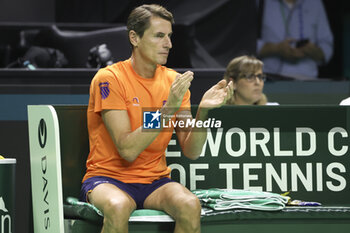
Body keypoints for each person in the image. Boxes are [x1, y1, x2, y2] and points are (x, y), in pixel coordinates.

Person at [79, 4, 233, 233]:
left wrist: (204, 111)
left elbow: (192, 150)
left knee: (190, 205)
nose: (169, 44)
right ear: (135, 38)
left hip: (154, 182)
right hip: (107, 179)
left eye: (170, 36)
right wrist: (167, 110)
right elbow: (127, 148)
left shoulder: (174, 82)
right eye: (159, 36)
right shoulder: (109, 78)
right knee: (118, 205)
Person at [257, 0, 333, 80]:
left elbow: (327, 45)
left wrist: (312, 50)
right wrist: (276, 49)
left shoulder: (315, 3)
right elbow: (246, 46)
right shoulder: (259, 2)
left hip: (307, 79)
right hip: (269, 78)